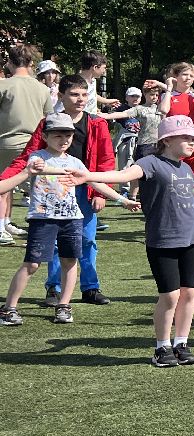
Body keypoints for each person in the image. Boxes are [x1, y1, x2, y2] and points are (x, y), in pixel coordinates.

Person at [67, 116, 194, 365]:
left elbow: (193, 196)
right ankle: (162, 347)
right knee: (170, 296)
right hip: (163, 240)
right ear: (167, 140)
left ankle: (181, 343)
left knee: (189, 293)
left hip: (192, 238)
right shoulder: (150, 162)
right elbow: (124, 176)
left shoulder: (186, 169)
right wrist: (89, 175)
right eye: (187, 137)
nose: (193, 142)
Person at [0, 114, 136, 326]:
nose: (64, 140)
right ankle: (9, 308)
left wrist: (121, 200)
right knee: (32, 264)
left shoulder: (75, 162)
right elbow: (38, 169)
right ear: (45, 136)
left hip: (71, 219)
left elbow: (93, 181)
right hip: (43, 219)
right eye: (57, 135)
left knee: (70, 261)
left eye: (68, 135)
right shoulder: (37, 157)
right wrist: (67, 172)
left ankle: (64, 305)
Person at [4, 74, 118, 307]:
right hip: (52, 192)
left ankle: (90, 288)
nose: (80, 99)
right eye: (74, 94)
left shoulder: (96, 123)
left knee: (87, 240)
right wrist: (6, 179)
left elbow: (106, 160)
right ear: (61, 96)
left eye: (84, 94)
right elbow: (28, 157)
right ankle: (53, 289)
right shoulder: (47, 123)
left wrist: (100, 193)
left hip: (85, 189)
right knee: (56, 244)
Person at [0, 44, 53, 245]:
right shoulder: (42, 88)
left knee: (4, 186)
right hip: (35, 145)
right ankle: (6, 222)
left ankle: (2, 226)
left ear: (10, 63)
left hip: (7, 142)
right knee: (32, 188)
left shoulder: (3, 85)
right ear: (31, 63)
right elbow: (49, 118)